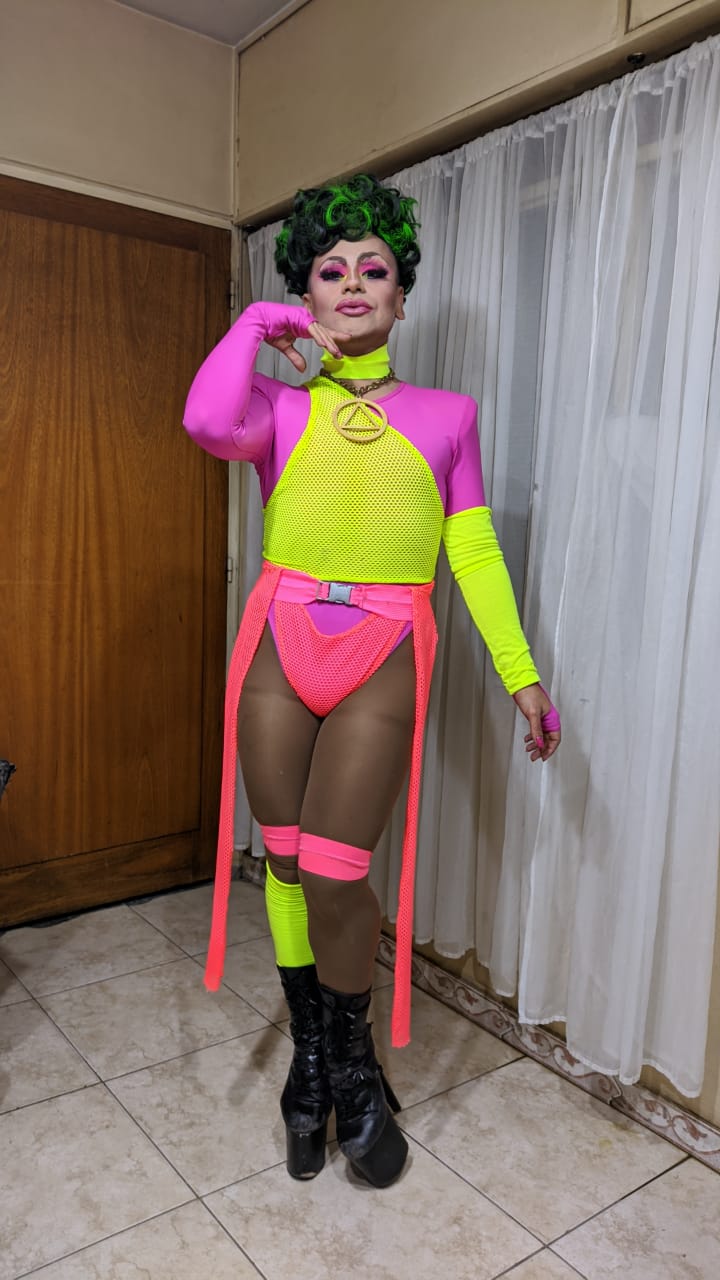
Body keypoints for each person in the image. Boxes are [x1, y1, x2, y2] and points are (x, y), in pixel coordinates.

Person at [183, 173, 560, 1190]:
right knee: (287, 861)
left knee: (338, 869)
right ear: (306, 293)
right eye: (329, 270)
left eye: (374, 269)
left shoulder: (448, 416)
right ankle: (309, 1060)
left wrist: (521, 674)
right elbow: (205, 421)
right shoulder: (277, 406)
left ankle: (352, 1064)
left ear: (401, 296)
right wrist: (256, 322)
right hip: (279, 643)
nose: (351, 282)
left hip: (384, 649)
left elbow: (471, 550)